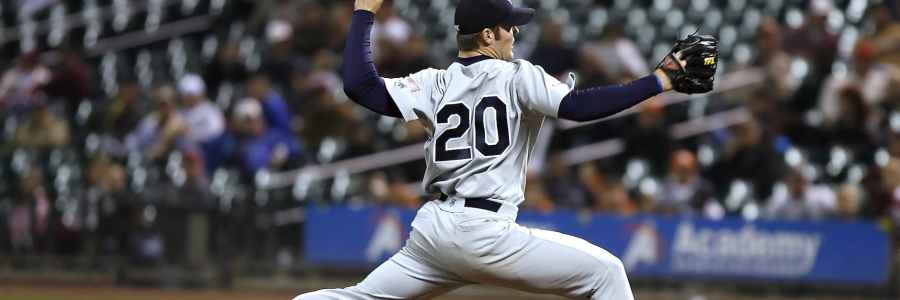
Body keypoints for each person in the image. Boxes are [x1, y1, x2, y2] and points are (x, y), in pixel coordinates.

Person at [295, 0, 716, 299]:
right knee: (607, 274)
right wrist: (658, 81)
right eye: (510, 26)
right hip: (486, 233)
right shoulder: (516, 76)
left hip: (434, 232)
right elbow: (578, 107)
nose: (515, 33)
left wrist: (364, 13)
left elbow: (358, 85)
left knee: (354, 297)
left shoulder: (432, 82)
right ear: (488, 34)